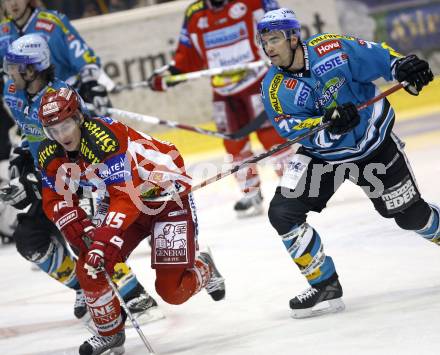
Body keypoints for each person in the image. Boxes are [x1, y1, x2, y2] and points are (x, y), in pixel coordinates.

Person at [257, 8, 437, 318]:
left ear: (293, 37)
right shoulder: (274, 88)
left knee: (410, 217)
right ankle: (324, 284)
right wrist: (327, 123)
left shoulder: (332, 48)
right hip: (324, 157)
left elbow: (382, 58)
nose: (268, 47)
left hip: (374, 146)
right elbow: (293, 130)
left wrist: (403, 67)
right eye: (264, 41)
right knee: (283, 212)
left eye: (274, 39)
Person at [36, 86, 226, 354]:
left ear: (78, 117)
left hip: (166, 203)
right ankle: (110, 333)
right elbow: (54, 199)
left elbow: (126, 198)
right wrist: (77, 226)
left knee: (172, 291)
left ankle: (204, 266)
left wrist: (102, 241)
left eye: (65, 125)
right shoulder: (50, 153)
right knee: (89, 267)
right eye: (52, 130)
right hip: (123, 203)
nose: (61, 136)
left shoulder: (103, 139)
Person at [0, 34, 160, 328]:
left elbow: (78, 144)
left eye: (14, 66)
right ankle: (84, 289)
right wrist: (20, 161)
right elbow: (29, 133)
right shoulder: (14, 90)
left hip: (73, 176)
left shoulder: (59, 97)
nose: (8, 71)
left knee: (82, 231)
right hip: (45, 176)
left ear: (32, 69)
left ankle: (133, 293)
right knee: (29, 241)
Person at [149, 0, 294, 218]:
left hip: (259, 82)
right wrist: (170, 74)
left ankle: (293, 187)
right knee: (234, 143)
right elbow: (187, 54)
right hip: (223, 90)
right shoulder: (195, 13)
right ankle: (250, 193)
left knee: (272, 135)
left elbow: (282, 29)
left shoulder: (254, 2)